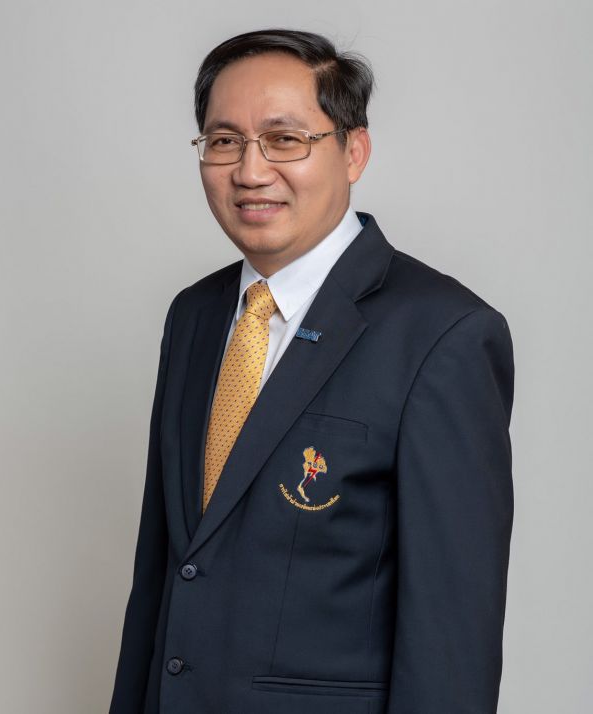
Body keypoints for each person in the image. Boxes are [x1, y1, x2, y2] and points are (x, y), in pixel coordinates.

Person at [109, 28, 515, 714]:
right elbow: (164, 574)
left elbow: (452, 640)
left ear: (353, 151)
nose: (250, 170)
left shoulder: (443, 335)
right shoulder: (195, 315)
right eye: (224, 140)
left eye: (285, 139)